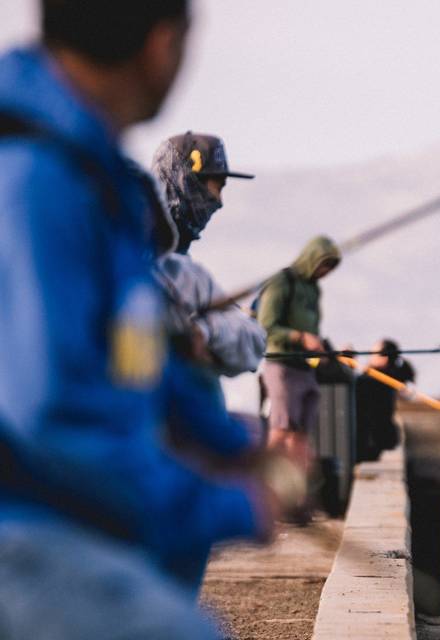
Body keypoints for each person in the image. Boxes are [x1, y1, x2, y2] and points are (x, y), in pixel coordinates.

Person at [0, 1, 279, 636]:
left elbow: (138, 357)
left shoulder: (93, 177)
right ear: (163, 45)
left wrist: (233, 445)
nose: (219, 200)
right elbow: (54, 414)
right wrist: (225, 505)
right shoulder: (39, 180)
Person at [152, 131, 266, 379]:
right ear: (186, 182)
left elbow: (253, 342)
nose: (219, 201)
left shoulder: (187, 269)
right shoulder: (155, 263)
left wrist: (206, 330)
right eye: (218, 187)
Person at [257, 236, 341, 472]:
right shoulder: (281, 282)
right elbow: (266, 327)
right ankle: (258, 491)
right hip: (281, 366)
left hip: (305, 369)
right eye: (325, 264)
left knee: (301, 437)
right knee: (282, 430)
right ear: (312, 258)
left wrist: (321, 350)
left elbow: (312, 330)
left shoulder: (314, 289)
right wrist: (300, 337)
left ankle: (296, 499)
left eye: (331, 267)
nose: (326, 271)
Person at [355, 339, 415, 462]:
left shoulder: (375, 380)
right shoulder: (388, 377)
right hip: (379, 440)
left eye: (373, 354)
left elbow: (354, 384)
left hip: (371, 444)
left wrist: (344, 365)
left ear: (384, 358)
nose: (369, 358)